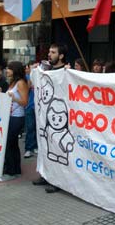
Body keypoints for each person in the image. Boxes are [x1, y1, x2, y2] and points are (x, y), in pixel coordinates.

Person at [32, 43, 67, 193]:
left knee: (57, 151)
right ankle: (45, 174)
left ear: (61, 56)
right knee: (45, 147)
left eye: (53, 52)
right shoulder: (46, 71)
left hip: (59, 120)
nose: (49, 54)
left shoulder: (66, 72)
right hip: (44, 118)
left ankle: (58, 181)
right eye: (49, 51)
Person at [0, 61, 28, 182]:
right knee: (13, 144)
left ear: (15, 70)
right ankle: (16, 170)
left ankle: (11, 171)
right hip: (9, 117)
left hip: (17, 117)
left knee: (9, 143)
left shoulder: (21, 83)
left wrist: (13, 98)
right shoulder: (12, 82)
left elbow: (25, 102)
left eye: (9, 68)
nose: (7, 70)